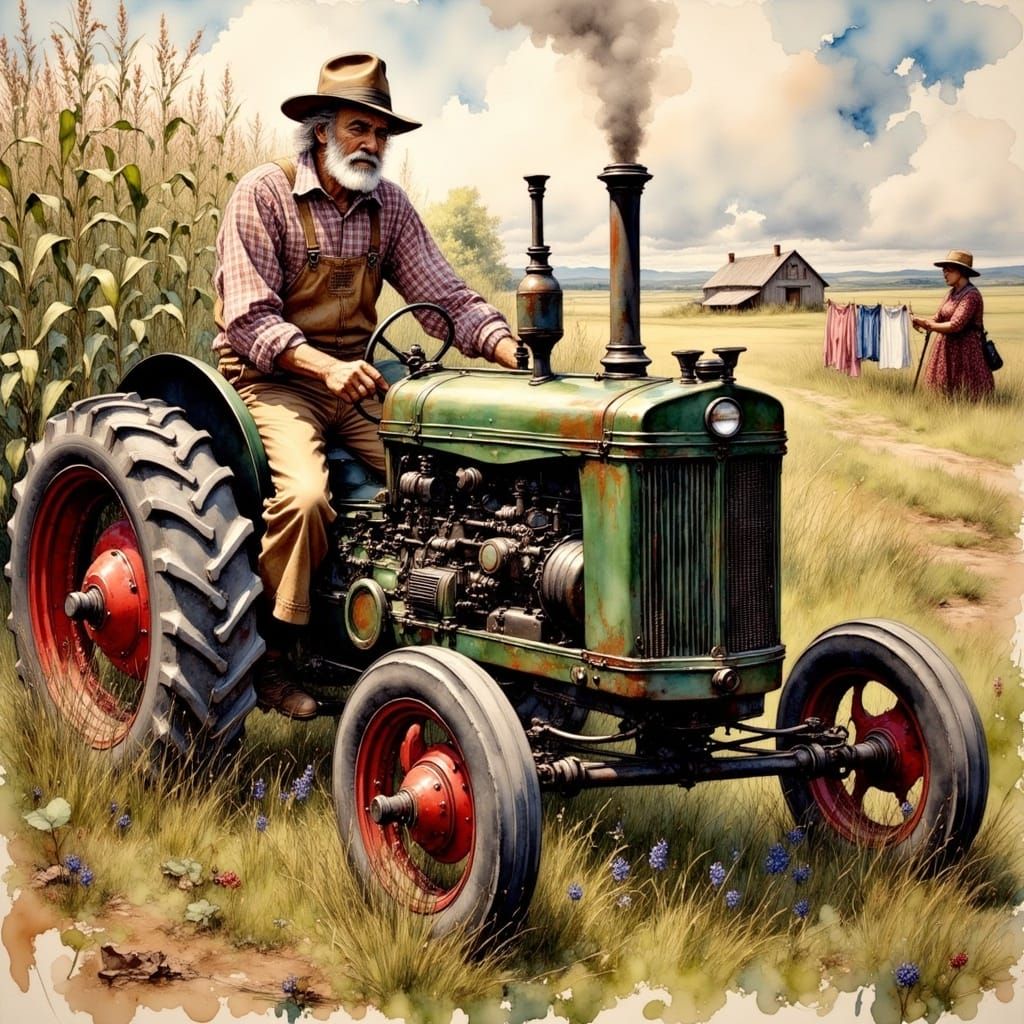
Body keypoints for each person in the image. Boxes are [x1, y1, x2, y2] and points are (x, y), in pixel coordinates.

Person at [213, 53, 521, 717]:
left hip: (357, 379)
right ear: (321, 130)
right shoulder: (265, 196)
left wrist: (507, 348)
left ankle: (430, 634)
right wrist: (321, 366)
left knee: (450, 483)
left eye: (381, 134)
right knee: (301, 498)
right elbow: (247, 318)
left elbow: (447, 295)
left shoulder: (390, 208)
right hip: (272, 380)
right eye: (360, 128)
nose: (373, 144)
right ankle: (273, 658)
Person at [911, 249, 993, 400]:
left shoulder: (972, 295)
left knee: (966, 391)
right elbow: (937, 318)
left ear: (961, 271)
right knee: (942, 392)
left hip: (966, 351)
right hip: (945, 350)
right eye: (944, 270)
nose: (944, 274)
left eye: (949, 270)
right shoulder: (950, 294)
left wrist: (929, 325)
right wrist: (920, 321)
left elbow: (956, 324)